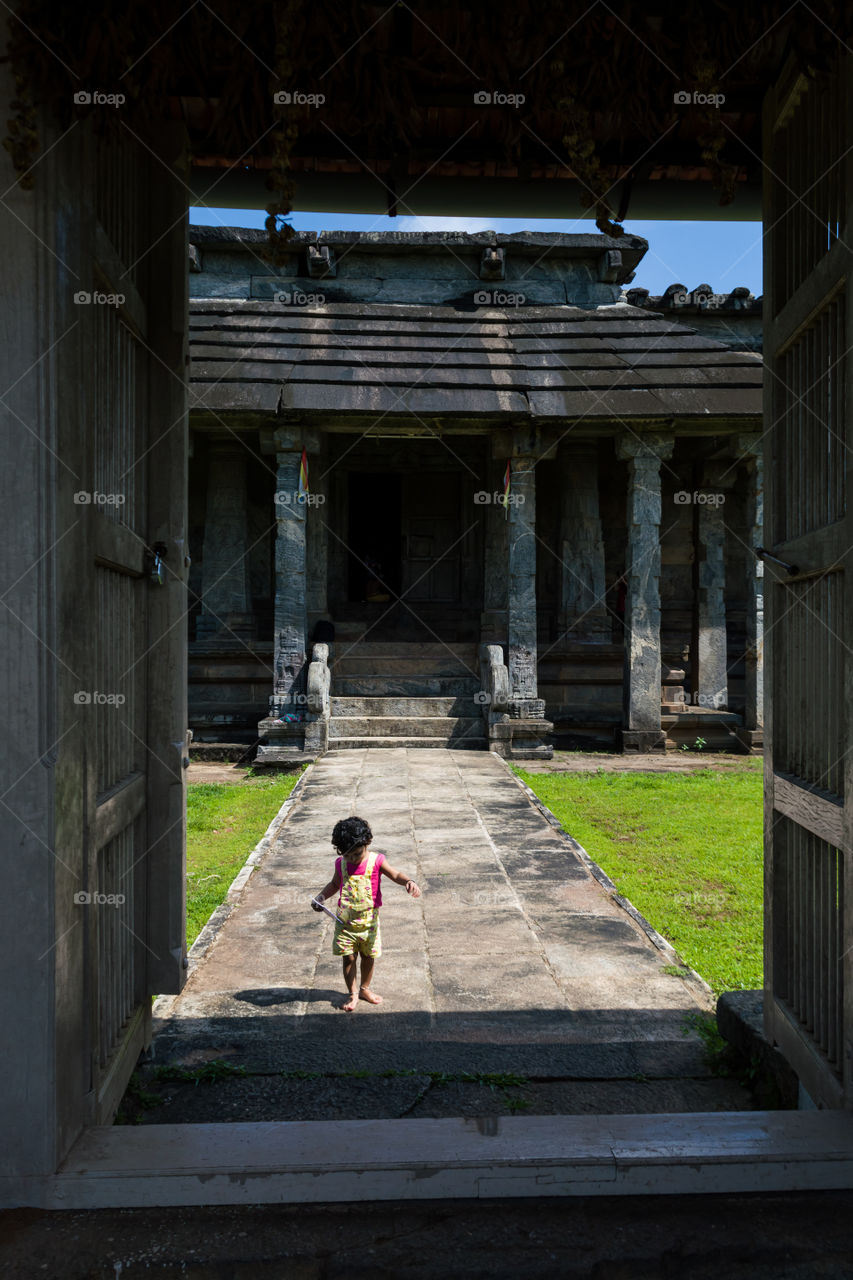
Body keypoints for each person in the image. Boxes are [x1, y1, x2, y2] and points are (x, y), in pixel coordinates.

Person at [312, 815, 421, 1012]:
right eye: (348, 855)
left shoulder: (376, 861)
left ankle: (364, 988)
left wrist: (408, 881)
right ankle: (352, 992)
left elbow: (395, 874)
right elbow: (335, 884)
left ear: (367, 843)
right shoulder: (341, 864)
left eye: (357, 854)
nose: (353, 859)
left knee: (369, 957)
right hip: (345, 924)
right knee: (348, 958)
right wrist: (321, 897)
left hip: (369, 923)